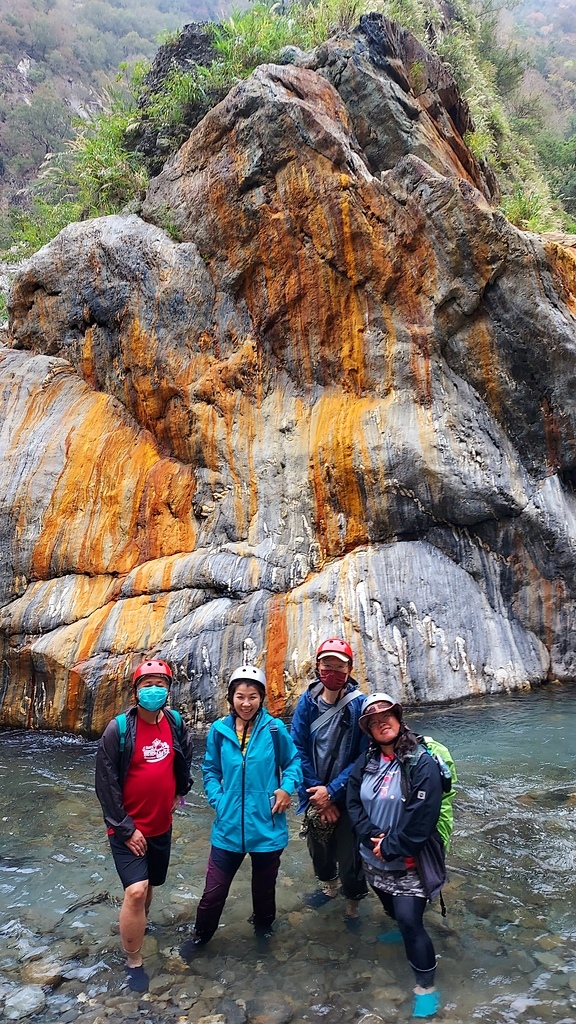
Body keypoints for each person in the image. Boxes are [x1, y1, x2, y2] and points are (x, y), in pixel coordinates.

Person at [179, 664, 302, 960]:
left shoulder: (274, 730)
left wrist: (286, 788)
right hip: (228, 827)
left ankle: (263, 937)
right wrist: (220, 801)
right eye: (240, 696)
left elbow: (294, 762)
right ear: (231, 698)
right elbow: (210, 770)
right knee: (213, 894)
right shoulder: (219, 731)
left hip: (266, 826)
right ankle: (201, 937)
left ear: (261, 698)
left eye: (252, 697)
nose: (246, 703)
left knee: (264, 893)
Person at [95, 659, 194, 993]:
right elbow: (105, 785)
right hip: (127, 826)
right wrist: (126, 829)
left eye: (160, 684)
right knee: (136, 890)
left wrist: (179, 793)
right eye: (147, 684)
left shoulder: (175, 722)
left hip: (161, 823)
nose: (154, 690)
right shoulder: (118, 729)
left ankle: (141, 924)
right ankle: (133, 961)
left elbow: (184, 756)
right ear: (136, 691)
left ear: (168, 689)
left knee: (150, 884)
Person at [347, 693, 444, 1019]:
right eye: (373, 722)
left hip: (409, 859)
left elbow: (424, 814)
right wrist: (370, 835)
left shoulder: (421, 761)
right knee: (388, 903)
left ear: (399, 719)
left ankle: (426, 988)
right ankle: (402, 931)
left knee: (409, 920)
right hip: (373, 856)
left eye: (385, 716)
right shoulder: (366, 761)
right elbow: (353, 802)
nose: (380, 723)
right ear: (369, 731)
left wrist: (391, 845)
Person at [290, 637, 368, 927]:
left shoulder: (359, 706)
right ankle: (329, 887)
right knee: (318, 848)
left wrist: (332, 793)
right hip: (314, 794)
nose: (332, 672)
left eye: (339, 666)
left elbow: (362, 757)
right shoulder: (307, 702)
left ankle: (353, 904)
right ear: (317, 666)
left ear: (349, 669)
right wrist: (316, 795)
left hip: (347, 796)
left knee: (350, 855)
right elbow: (296, 747)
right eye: (327, 665)